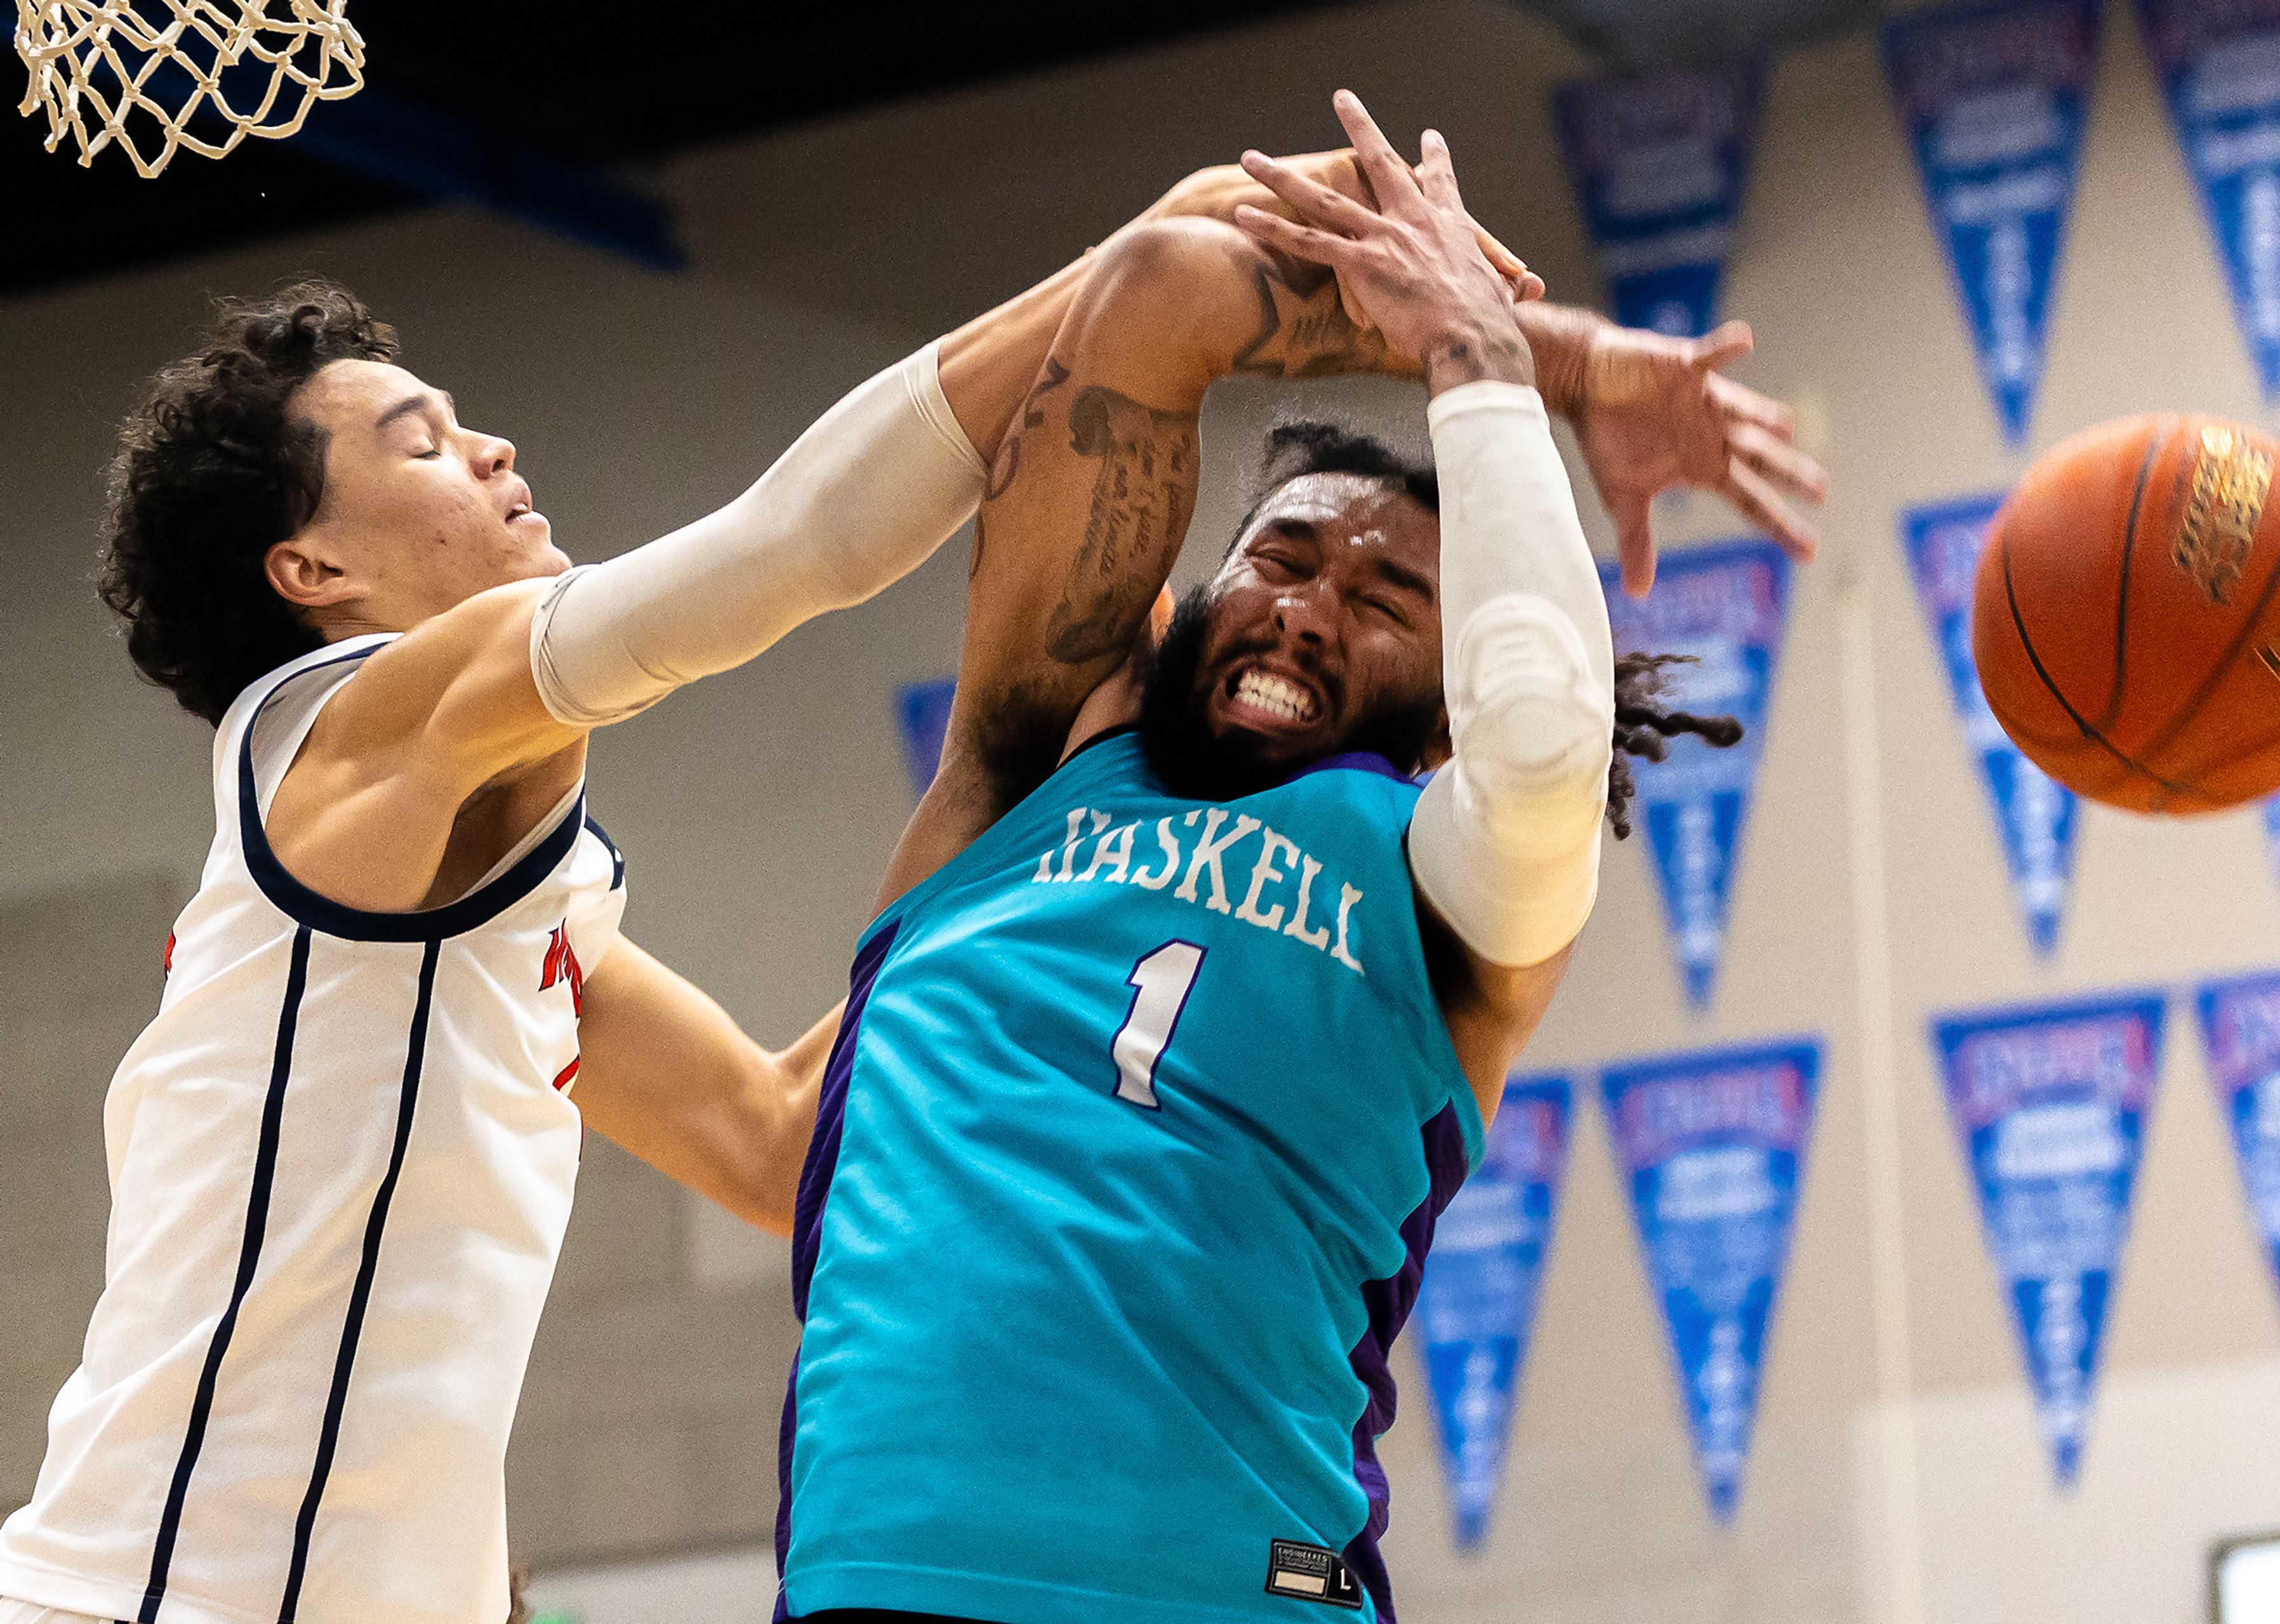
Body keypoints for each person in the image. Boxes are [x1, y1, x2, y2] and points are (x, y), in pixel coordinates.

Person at [0, 151, 1527, 1624]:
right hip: (164, 1589)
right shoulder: (352, 732)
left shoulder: (452, 915)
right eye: (421, 443)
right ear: (310, 570)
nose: (492, 452)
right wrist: (1136, 282)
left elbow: (773, 1131)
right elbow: (793, 544)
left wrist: (1056, 886)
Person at [773, 92, 1826, 1624]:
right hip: (889, 1584)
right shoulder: (1026, 769)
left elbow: (1537, 744)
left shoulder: (1445, 882)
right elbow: (1157, 293)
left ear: (1450, 674)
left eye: (1388, 595)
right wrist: (1577, 353)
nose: (1309, 605)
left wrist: (1485, 354)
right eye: (1281, 555)